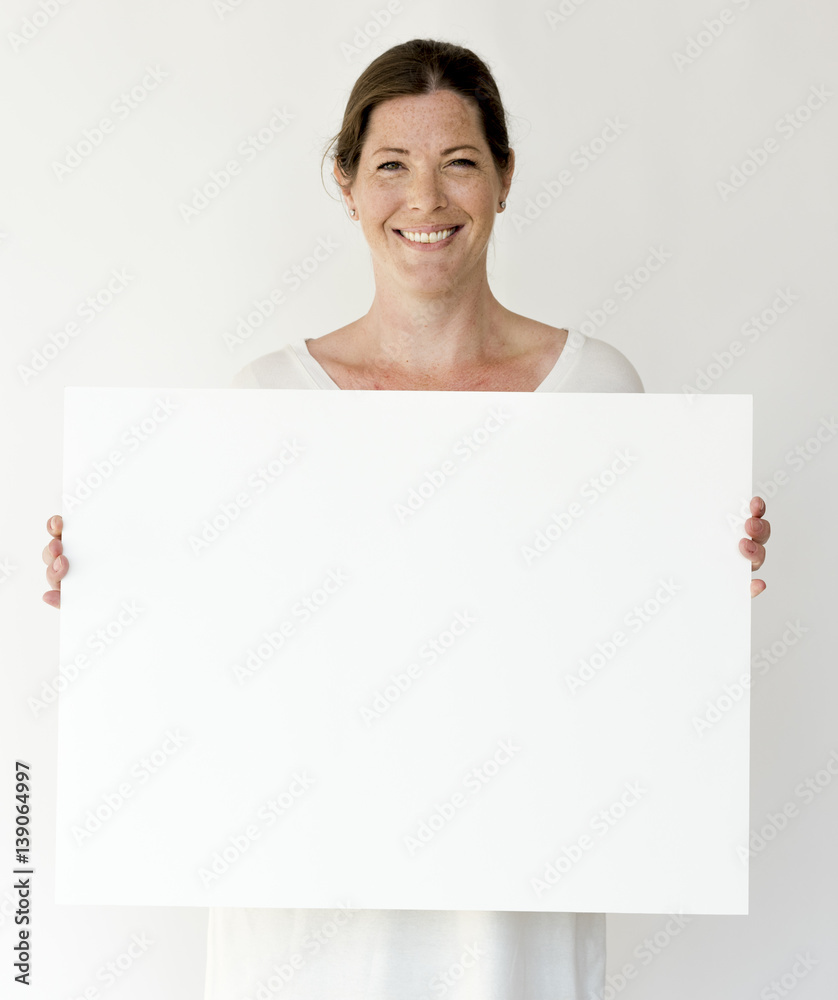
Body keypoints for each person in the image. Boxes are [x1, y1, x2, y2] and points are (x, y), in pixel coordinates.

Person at [42, 37, 771, 1000]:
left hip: (515, 931)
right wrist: (111, 596)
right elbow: (214, 669)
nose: (425, 200)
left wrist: (705, 587)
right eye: (391, 166)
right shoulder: (263, 401)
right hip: (302, 940)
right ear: (347, 184)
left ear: (504, 178)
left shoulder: (598, 388)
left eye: (459, 162)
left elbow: (620, 666)